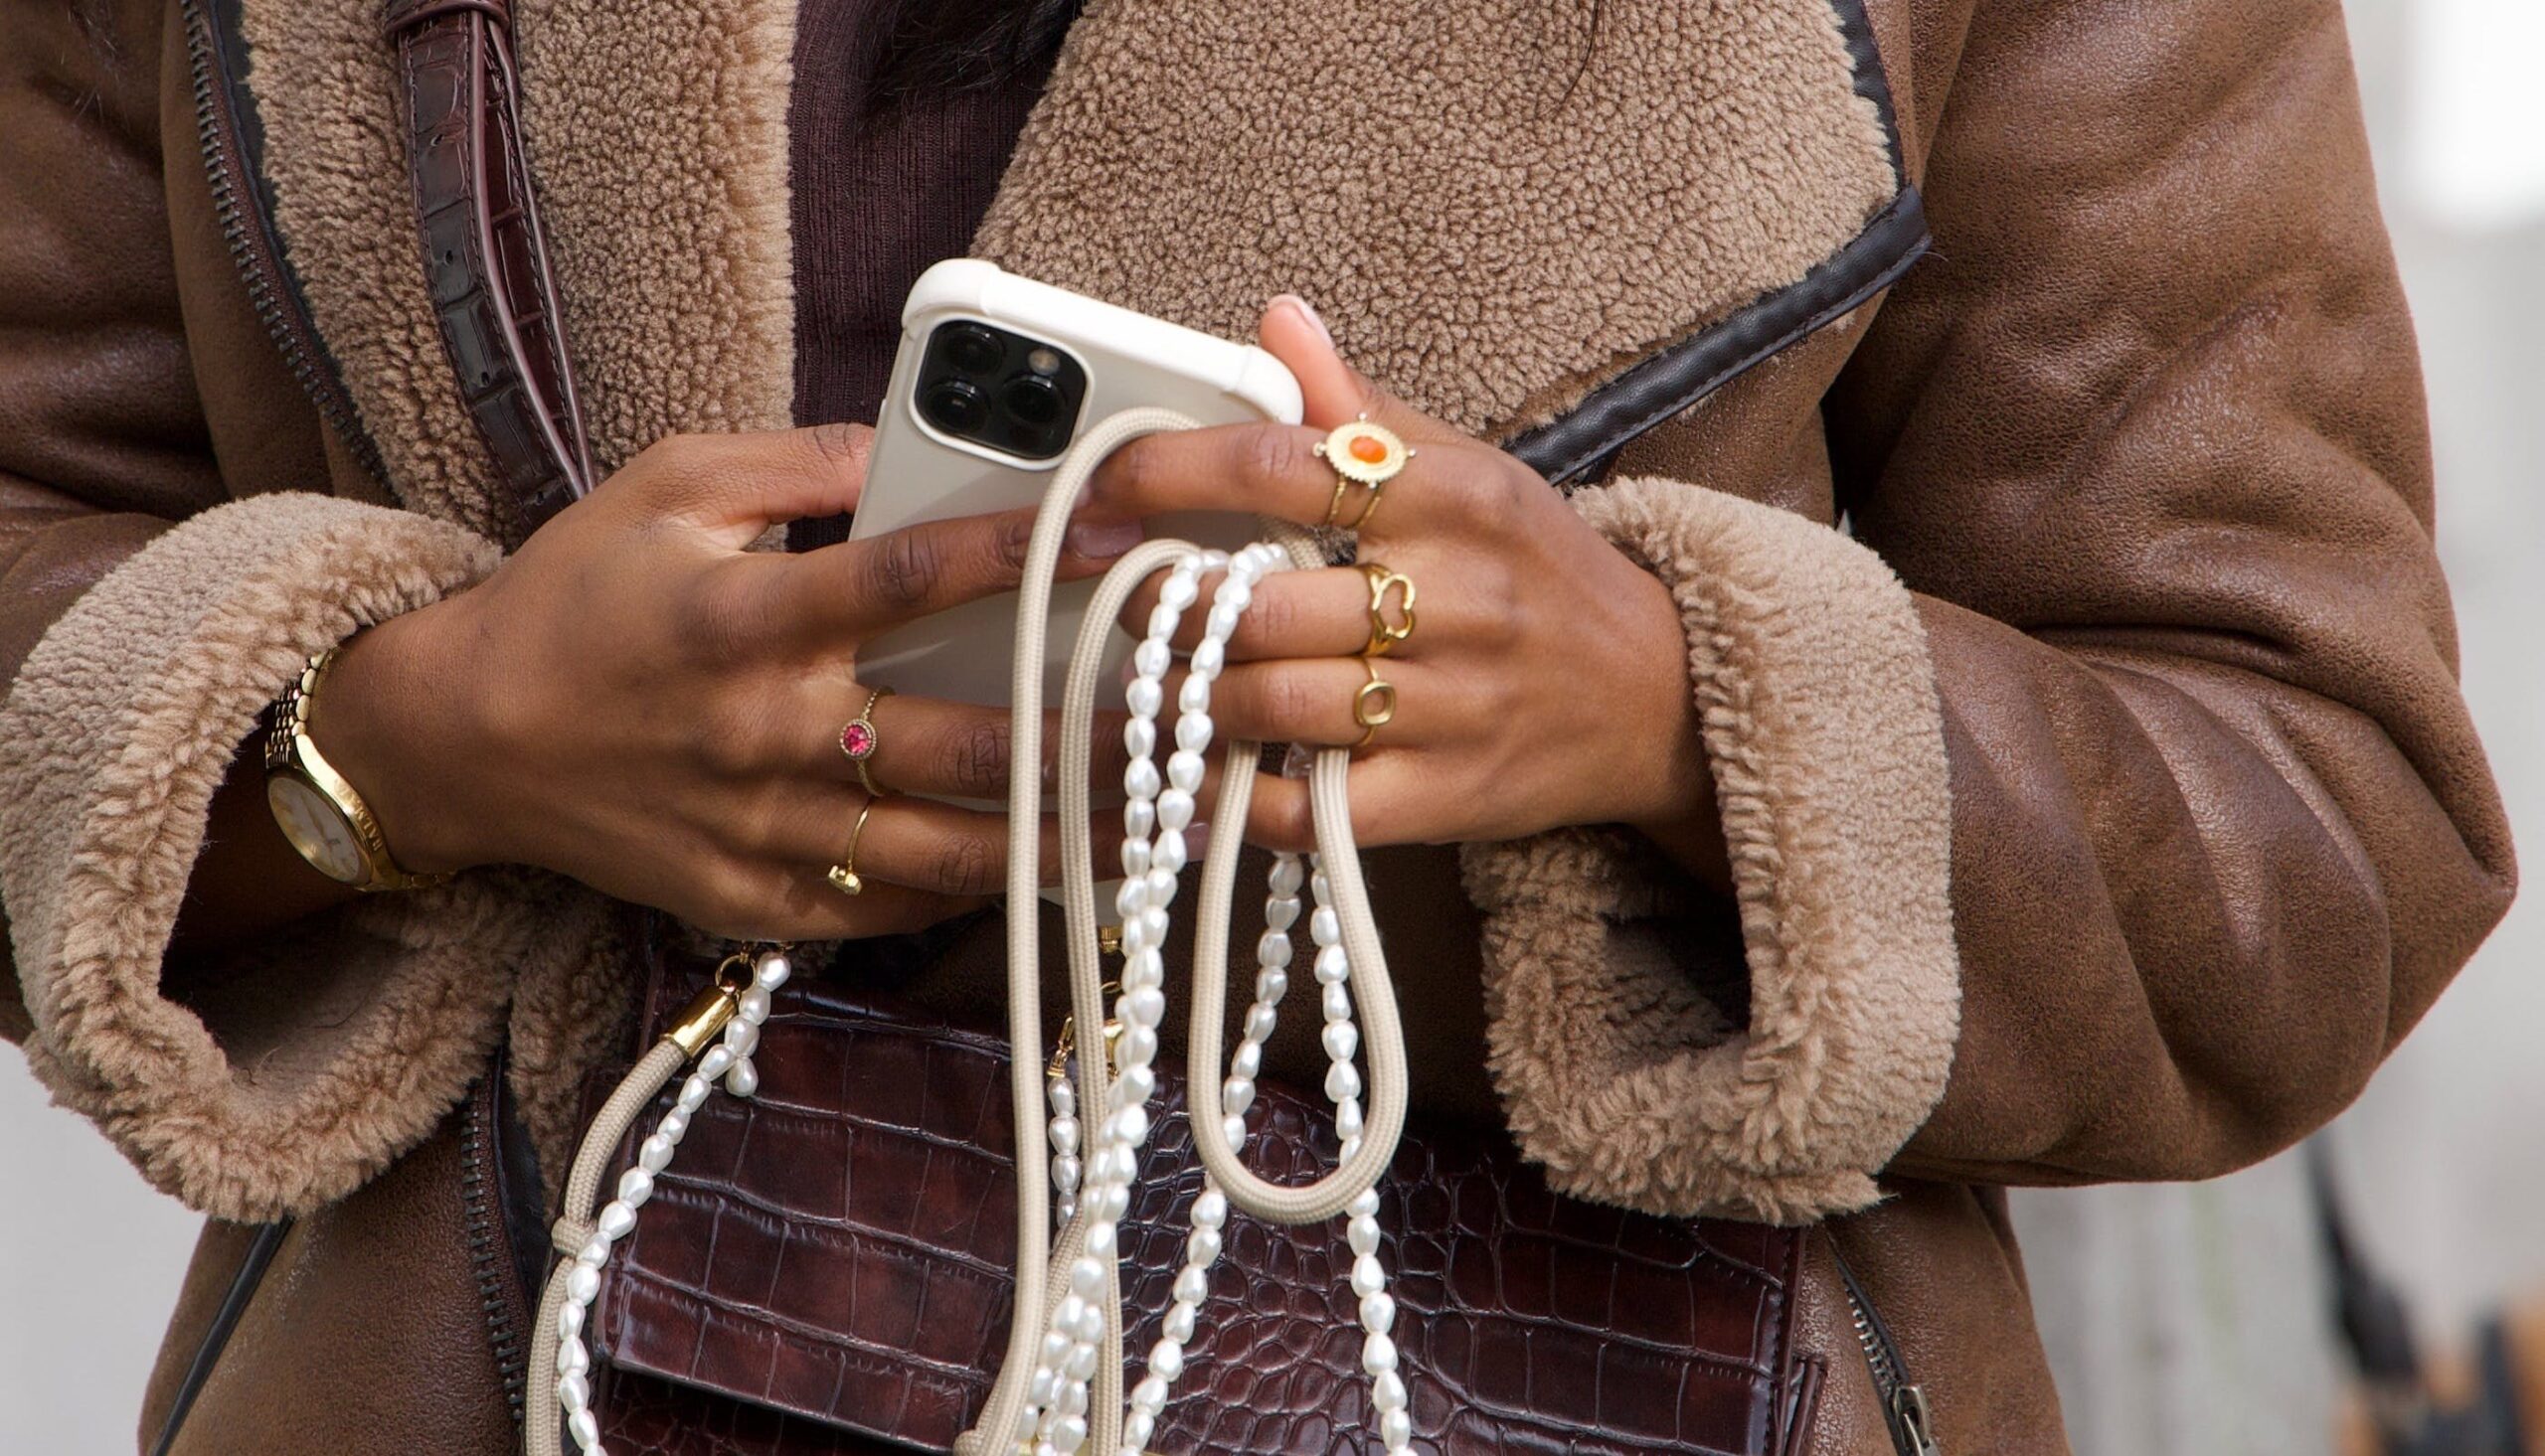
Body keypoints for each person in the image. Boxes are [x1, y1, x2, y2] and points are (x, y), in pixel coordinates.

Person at [0, 0, 2512, 1450]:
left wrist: (1675, 705)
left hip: (1554, 1370)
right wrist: (405, 740)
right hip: (491, 1363)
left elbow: (2316, 817)